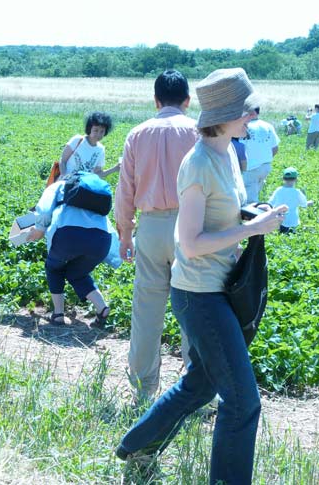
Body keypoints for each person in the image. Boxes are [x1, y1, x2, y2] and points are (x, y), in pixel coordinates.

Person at [116, 68, 288, 485]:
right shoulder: (198, 163)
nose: (252, 117)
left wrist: (253, 214)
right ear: (228, 113)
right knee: (243, 403)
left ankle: (137, 446)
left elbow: (220, 213)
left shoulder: (227, 152)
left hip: (216, 287)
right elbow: (190, 243)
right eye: (247, 111)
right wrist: (250, 230)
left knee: (200, 386)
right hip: (199, 295)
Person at [114, 70, 199, 403]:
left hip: (149, 226)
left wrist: (125, 233)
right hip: (192, 227)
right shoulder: (198, 132)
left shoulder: (138, 134)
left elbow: (125, 190)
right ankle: (195, 389)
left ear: (155, 100)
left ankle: (143, 389)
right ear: (188, 101)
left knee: (147, 310)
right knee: (194, 308)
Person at [26, 175, 111, 327]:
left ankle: (58, 314)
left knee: (54, 268)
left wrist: (39, 229)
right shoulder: (95, 196)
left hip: (68, 234)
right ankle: (102, 308)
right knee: (77, 274)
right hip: (102, 239)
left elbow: (44, 210)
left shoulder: (58, 186)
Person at [59, 111, 120, 179]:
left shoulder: (100, 150)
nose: (98, 134)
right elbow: (63, 160)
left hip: (83, 186)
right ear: (89, 128)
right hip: (66, 182)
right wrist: (64, 177)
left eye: (102, 131)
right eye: (95, 130)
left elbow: (97, 174)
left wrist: (114, 169)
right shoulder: (77, 140)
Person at [240, 107, 280, 203]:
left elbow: (240, 149)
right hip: (265, 166)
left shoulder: (245, 126)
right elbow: (275, 148)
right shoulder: (268, 126)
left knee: (250, 202)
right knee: (256, 192)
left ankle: (253, 216)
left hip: (250, 168)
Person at [268, 167, 314, 234]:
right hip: (293, 222)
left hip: (279, 220)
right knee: (292, 236)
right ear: (296, 179)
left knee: (280, 235)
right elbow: (304, 204)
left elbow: (270, 203)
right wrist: (309, 202)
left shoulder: (278, 190)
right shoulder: (297, 192)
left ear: (283, 179)